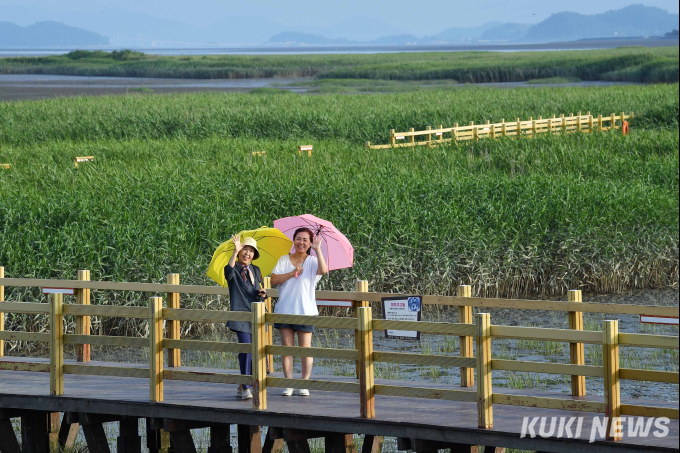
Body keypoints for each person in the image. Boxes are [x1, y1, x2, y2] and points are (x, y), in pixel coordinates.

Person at [270, 227, 328, 396]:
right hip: (284, 309)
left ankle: (304, 384)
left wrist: (318, 249)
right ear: (293, 240)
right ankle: (289, 384)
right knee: (287, 348)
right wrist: (292, 273)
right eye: (298, 239)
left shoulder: (312, 261)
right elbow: (273, 279)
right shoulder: (283, 259)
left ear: (310, 243)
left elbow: (323, 271)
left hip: (306, 310)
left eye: (305, 240)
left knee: (305, 348)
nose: (301, 242)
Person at [224, 235, 266, 400]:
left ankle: (242, 384)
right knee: (246, 348)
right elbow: (228, 274)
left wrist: (263, 294)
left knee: (253, 351)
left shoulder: (255, 270)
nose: (247, 254)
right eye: (244, 250)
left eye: (251, 251)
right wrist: (234, 252)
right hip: (240, 314)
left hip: (255, 314)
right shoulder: (233, 268)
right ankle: (246, 387)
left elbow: (258, 290)